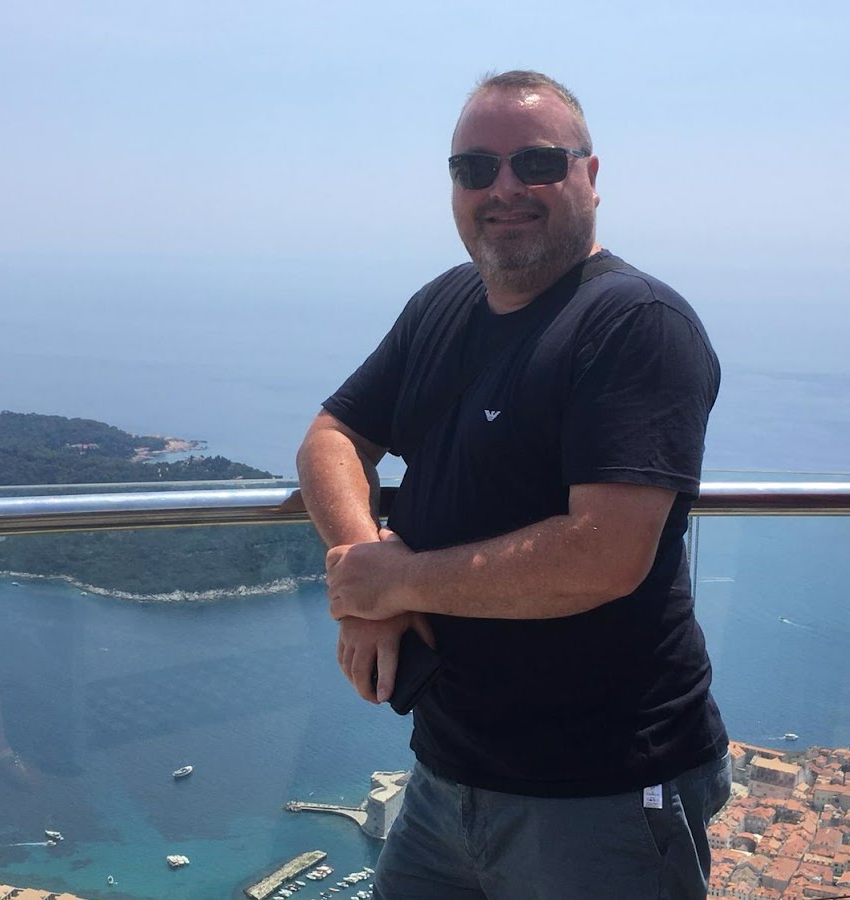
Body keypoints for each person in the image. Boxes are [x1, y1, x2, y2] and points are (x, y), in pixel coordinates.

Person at [296, 70, 730, 900]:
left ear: (589, 176)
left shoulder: (635, 323)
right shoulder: (444, 305)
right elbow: (331, 437)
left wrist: (399, 583)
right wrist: (362, 569)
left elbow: (604, 554)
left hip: (603, 792)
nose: (504, 189)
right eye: (475, 168)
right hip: (445, 776)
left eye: (535, 162)